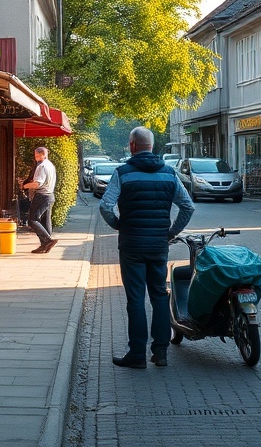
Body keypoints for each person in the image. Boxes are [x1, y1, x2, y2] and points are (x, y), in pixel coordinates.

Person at [99, 127, 195, 369]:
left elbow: (106, 206)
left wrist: (119, 225)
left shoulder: (123, 173)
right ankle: (161, 352)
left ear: (132, 146)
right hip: (158, 245)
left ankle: (137, 354)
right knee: (159, 296)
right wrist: (171, 233)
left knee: (135, 299)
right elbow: (187, 207)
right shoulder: (169, 174)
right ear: (152, 146)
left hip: (131, 245)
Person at [23, 145, 58, 253]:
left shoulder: (42, 166)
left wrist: (25, 186)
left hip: (42, 195)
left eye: (37, 155)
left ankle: (47, 240)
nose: (36, 157)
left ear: (43, 154)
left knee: (32, 220)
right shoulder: (51, 165)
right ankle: (45, 245)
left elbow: (37, 184)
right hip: (50, 195)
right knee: (46, 220)